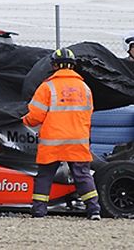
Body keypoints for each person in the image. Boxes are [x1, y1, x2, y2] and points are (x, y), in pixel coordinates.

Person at [22, 47, 101, 220]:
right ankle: (94, 210)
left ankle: (39, 212)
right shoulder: (84, 88)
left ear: (54, 66)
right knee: (82, 175)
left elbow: (35, 115)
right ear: (73, 66)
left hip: (53, 142)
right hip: (77, 141)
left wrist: (24, 121)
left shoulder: (47, 87)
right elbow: (88, 114)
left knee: (45, 176)